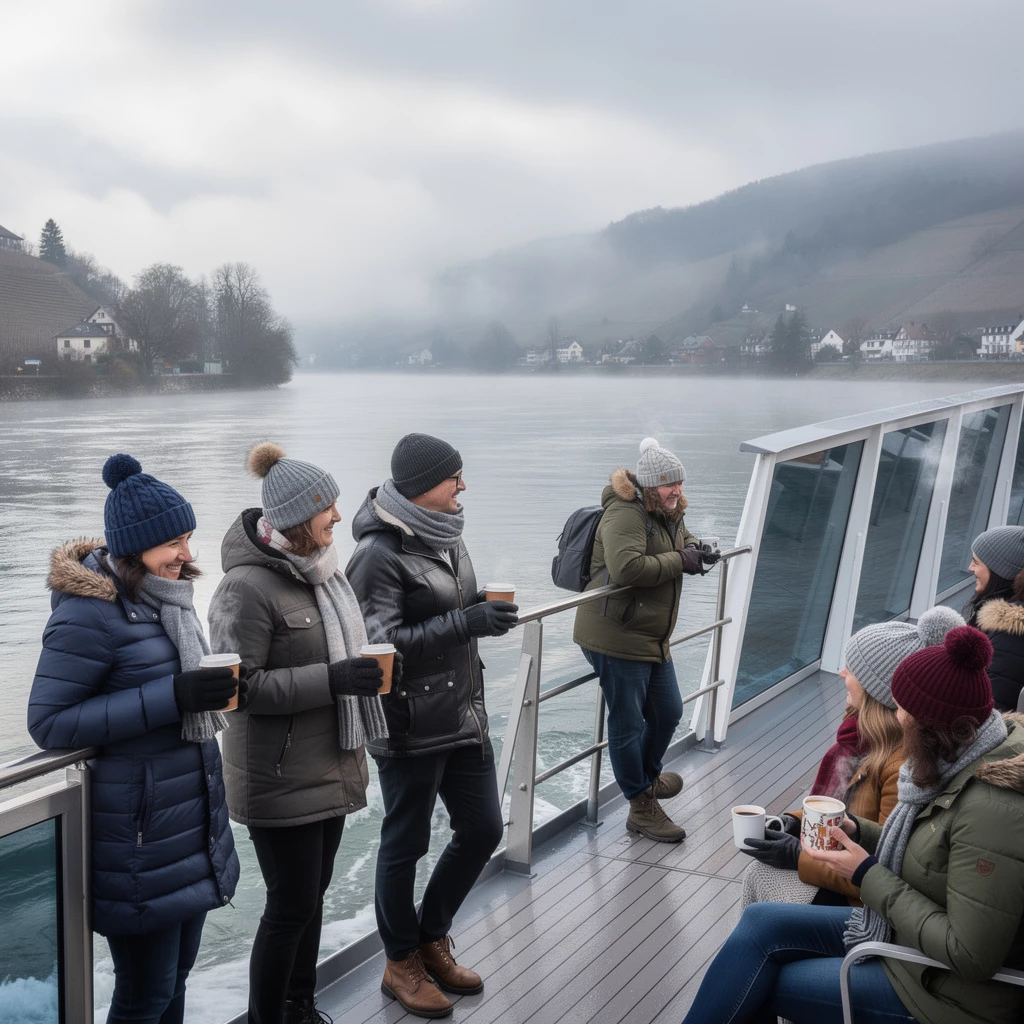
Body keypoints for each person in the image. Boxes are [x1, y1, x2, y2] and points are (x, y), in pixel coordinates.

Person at [681, 625, 1024, 1024]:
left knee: (757, 981)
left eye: (904, 710)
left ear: (933, 728)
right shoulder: (960, 764)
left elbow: (970, 955)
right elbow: (931, 857)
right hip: (907, 943)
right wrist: (860, 831)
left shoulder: (991, 810)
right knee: (761, 924)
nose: (898, 717)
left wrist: (866, 874)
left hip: (940, 994)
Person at [27, 454, 239, 1024]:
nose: (186, 554)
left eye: (188, 539)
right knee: (145, 996)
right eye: (173, 543)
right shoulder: (88, 615)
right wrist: (175, 696)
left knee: (175, 983)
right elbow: (49, 723)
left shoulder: (166, 601)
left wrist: (204, 691)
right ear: (134, 548)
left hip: (187, 824)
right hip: (139, 841)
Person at [208, 443, 390, 1024]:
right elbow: (238, 690)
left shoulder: (322, 571)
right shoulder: (245, 587)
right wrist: (334, 679)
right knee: (289, 907)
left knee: (311, 899)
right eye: (325, 508)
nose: (337, 516)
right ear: (295, 517)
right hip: (279, 773)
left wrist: (361, 674)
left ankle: (300, 1006)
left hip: (328, 760)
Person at [346, 433, 513, 1019]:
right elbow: (379, 644)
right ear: (422, 486)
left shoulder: (446, 533)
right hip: (410, 722)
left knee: (484, 829)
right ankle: (400, 963)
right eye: (454, 477)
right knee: (406, 844)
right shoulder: (377, 553)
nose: (463, 485)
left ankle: (430, 938)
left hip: (462, 712)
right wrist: (466, 623)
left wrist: (479, 609)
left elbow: (446, 609)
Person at [740, 606, 963, 908]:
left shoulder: (902, 766)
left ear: (878, 691)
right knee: (760, 874)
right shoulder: (862, 741)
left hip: (864, 905)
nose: (842, 672)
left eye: (852, 669)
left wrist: (798, 857)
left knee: (760, 878)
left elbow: (887, 868)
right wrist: (792, 821)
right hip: (847, 877)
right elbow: (838, 814)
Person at [572, 437, 717, 842]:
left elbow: (683, 539)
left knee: (669, 712)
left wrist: (696, 550)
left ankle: (646, 779)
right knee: (628, 723)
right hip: (615, 634)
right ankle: (640, 806)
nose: (678, 490)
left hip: (650, 635)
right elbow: (626, 569)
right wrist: (682, 560)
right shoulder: (625, 512)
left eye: (680, 482)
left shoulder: (669, 510)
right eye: (671, 484)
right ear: (651, 485)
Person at [965, 524, 1024, 711]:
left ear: (1001, 571)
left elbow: (991, 710)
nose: (970, 568)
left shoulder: (1009, 635)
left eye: (976, 562)